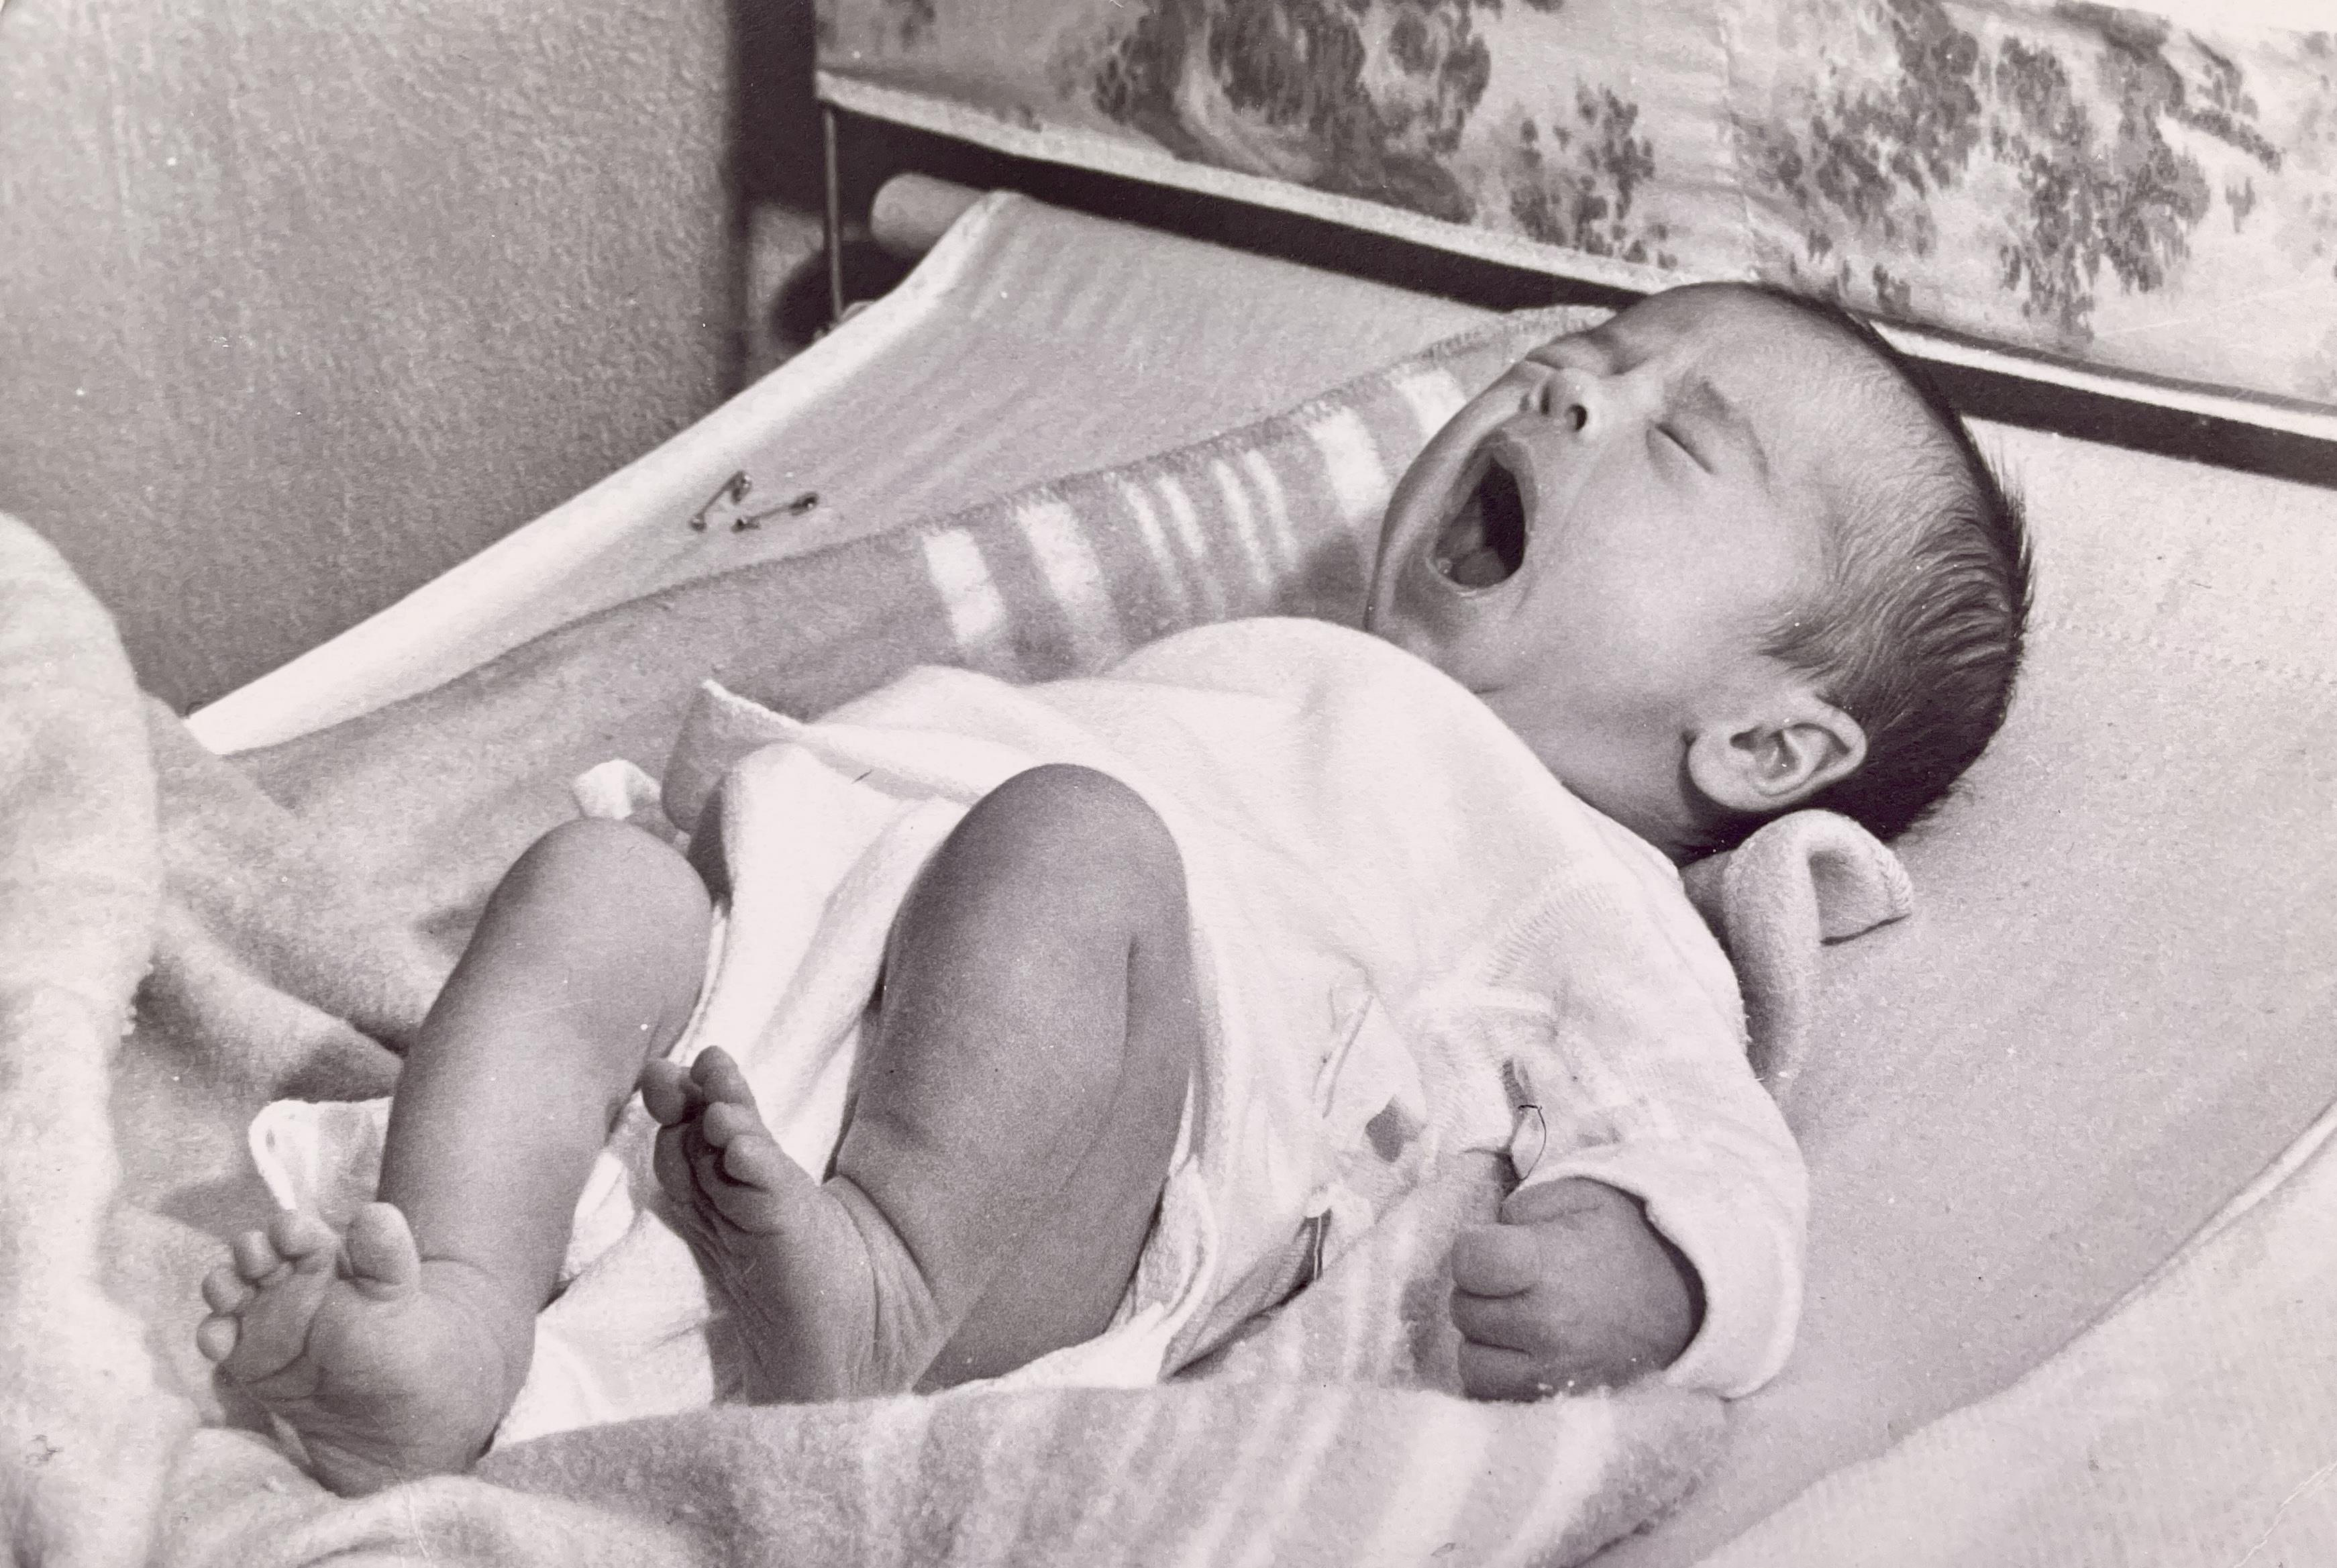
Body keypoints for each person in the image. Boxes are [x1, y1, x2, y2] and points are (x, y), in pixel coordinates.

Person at [193, 283, 2028, 1496]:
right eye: (1588, 357)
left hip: (1073, 1153)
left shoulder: (1593, 887)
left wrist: (1649, 1267)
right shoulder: (1257, 649)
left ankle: (885, 1285)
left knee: (1074, 840)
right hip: (796, 972)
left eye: (1670, 432)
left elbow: (1720, 1154)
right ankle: (450, 1307)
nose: (1564, 382)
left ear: (1761, 750)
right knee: (595, 884)